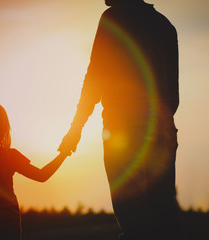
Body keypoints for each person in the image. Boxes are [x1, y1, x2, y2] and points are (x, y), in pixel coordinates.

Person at [58, 0, 181, 239]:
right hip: (163, 129)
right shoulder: (166, 26)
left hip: (123, 129)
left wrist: (76, 129)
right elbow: (173, 96)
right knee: (164, 219)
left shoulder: (113, 19)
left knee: (134, 221)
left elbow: (95, 79)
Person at [0, 100, 69, 239]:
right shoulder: (9, 156)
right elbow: (42, 175)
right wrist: (64, 154)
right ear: (2, 126)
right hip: (8, 225)